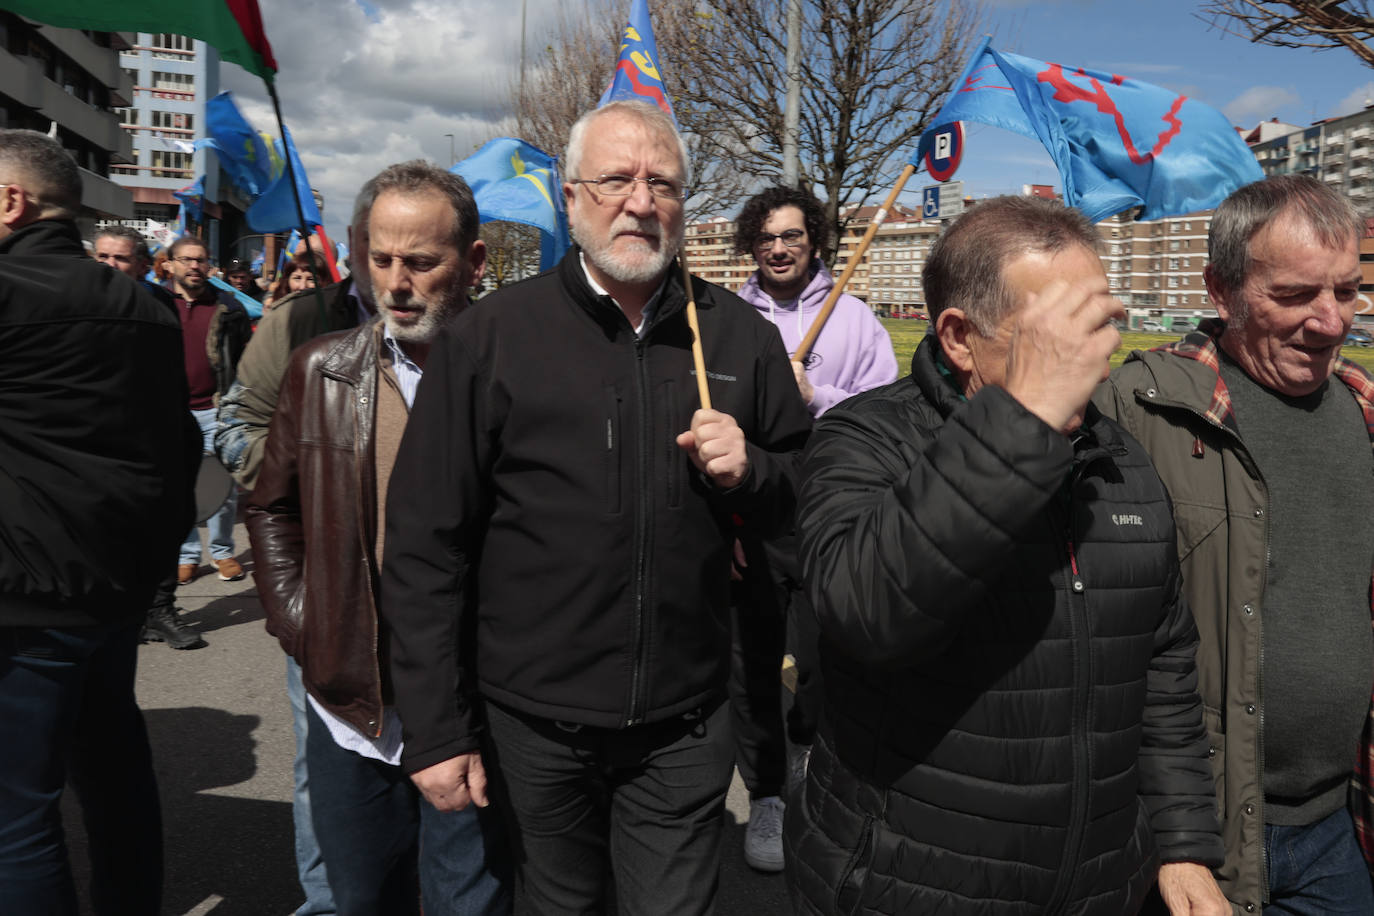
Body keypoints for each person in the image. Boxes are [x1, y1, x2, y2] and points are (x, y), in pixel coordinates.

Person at [381, 100, 812, 914]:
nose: (641, 202)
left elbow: (805, 491)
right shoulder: (491, 337)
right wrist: (437, 729)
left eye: (663, 184)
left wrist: (753, 470)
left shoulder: (738, 338)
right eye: (617, 180)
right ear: (571, 196)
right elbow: (424, 545)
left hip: (684, 722)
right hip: (533, 726)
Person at [786, 195, 1227, 915]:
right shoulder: (864, 440)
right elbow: (867, 612)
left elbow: (1163, 668)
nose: (1095, 355)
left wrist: (1182, 847)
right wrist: (1023, 423)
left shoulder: (1121, 461)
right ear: (960, 337)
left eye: (1098, 325)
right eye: (1059, 333)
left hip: (1098, 888)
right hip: (908, 886)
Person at [1093, 174, 1374, 914]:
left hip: (1339, 827)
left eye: (1346, 291)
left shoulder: (1366, 409)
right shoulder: (1137, 407)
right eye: (1294, 296)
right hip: (1188, 842)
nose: (1330, 321)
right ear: (1219, 290)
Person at [246, 161, 510, 916]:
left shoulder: (511, 376)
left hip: (472, 699)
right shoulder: (320, 371)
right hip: (349, 702)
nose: (396, 282)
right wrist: (304, 623)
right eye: (381, 259)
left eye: (422, 262)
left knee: (469, 897)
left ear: (474, 262)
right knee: (361, 897)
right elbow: (270, 507)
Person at [0, 128, 198, 914]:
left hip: (24, 594)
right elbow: (175, 445)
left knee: (17, 812)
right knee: (114, 776)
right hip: (114, 590)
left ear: (11, 201)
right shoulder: (143, 308)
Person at [726, 186, 899, 871]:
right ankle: (766, 793)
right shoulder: (729, 319)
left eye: (791, 236)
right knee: (754, 663)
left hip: (834, 517)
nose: (778, 248)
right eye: (766, 238)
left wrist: (817, 396)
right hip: (754, 518)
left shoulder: (854, 318)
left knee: (829, 661)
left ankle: (816, 770)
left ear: (815, 241)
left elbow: (887, 413)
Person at [220, 185, 377, 916]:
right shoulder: (299, 322)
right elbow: (235, 425)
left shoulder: (468, 331)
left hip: (428, 593)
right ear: (354, 248)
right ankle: (328, 902)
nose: (399, 275)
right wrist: (295, 471)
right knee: (325, 759)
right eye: (379, 251)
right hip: (323, 582)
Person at [167, 234, 252, 590]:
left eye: (200, 260)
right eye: (186, 259)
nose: (194, 266)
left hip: (215, 410)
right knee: (178, 487)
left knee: (221, 487)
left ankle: (222, 551)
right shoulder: (155, 304)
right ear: (169, 265)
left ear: (209, 265)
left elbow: (245, 360)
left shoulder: (229, 308)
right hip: (170, 412)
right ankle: (187, 556)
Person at [92, 224, 175, 312]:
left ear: (142, 266)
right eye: (103, 256)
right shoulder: (78, 297)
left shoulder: (162, 306)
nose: (110, 264)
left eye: (120, 258)